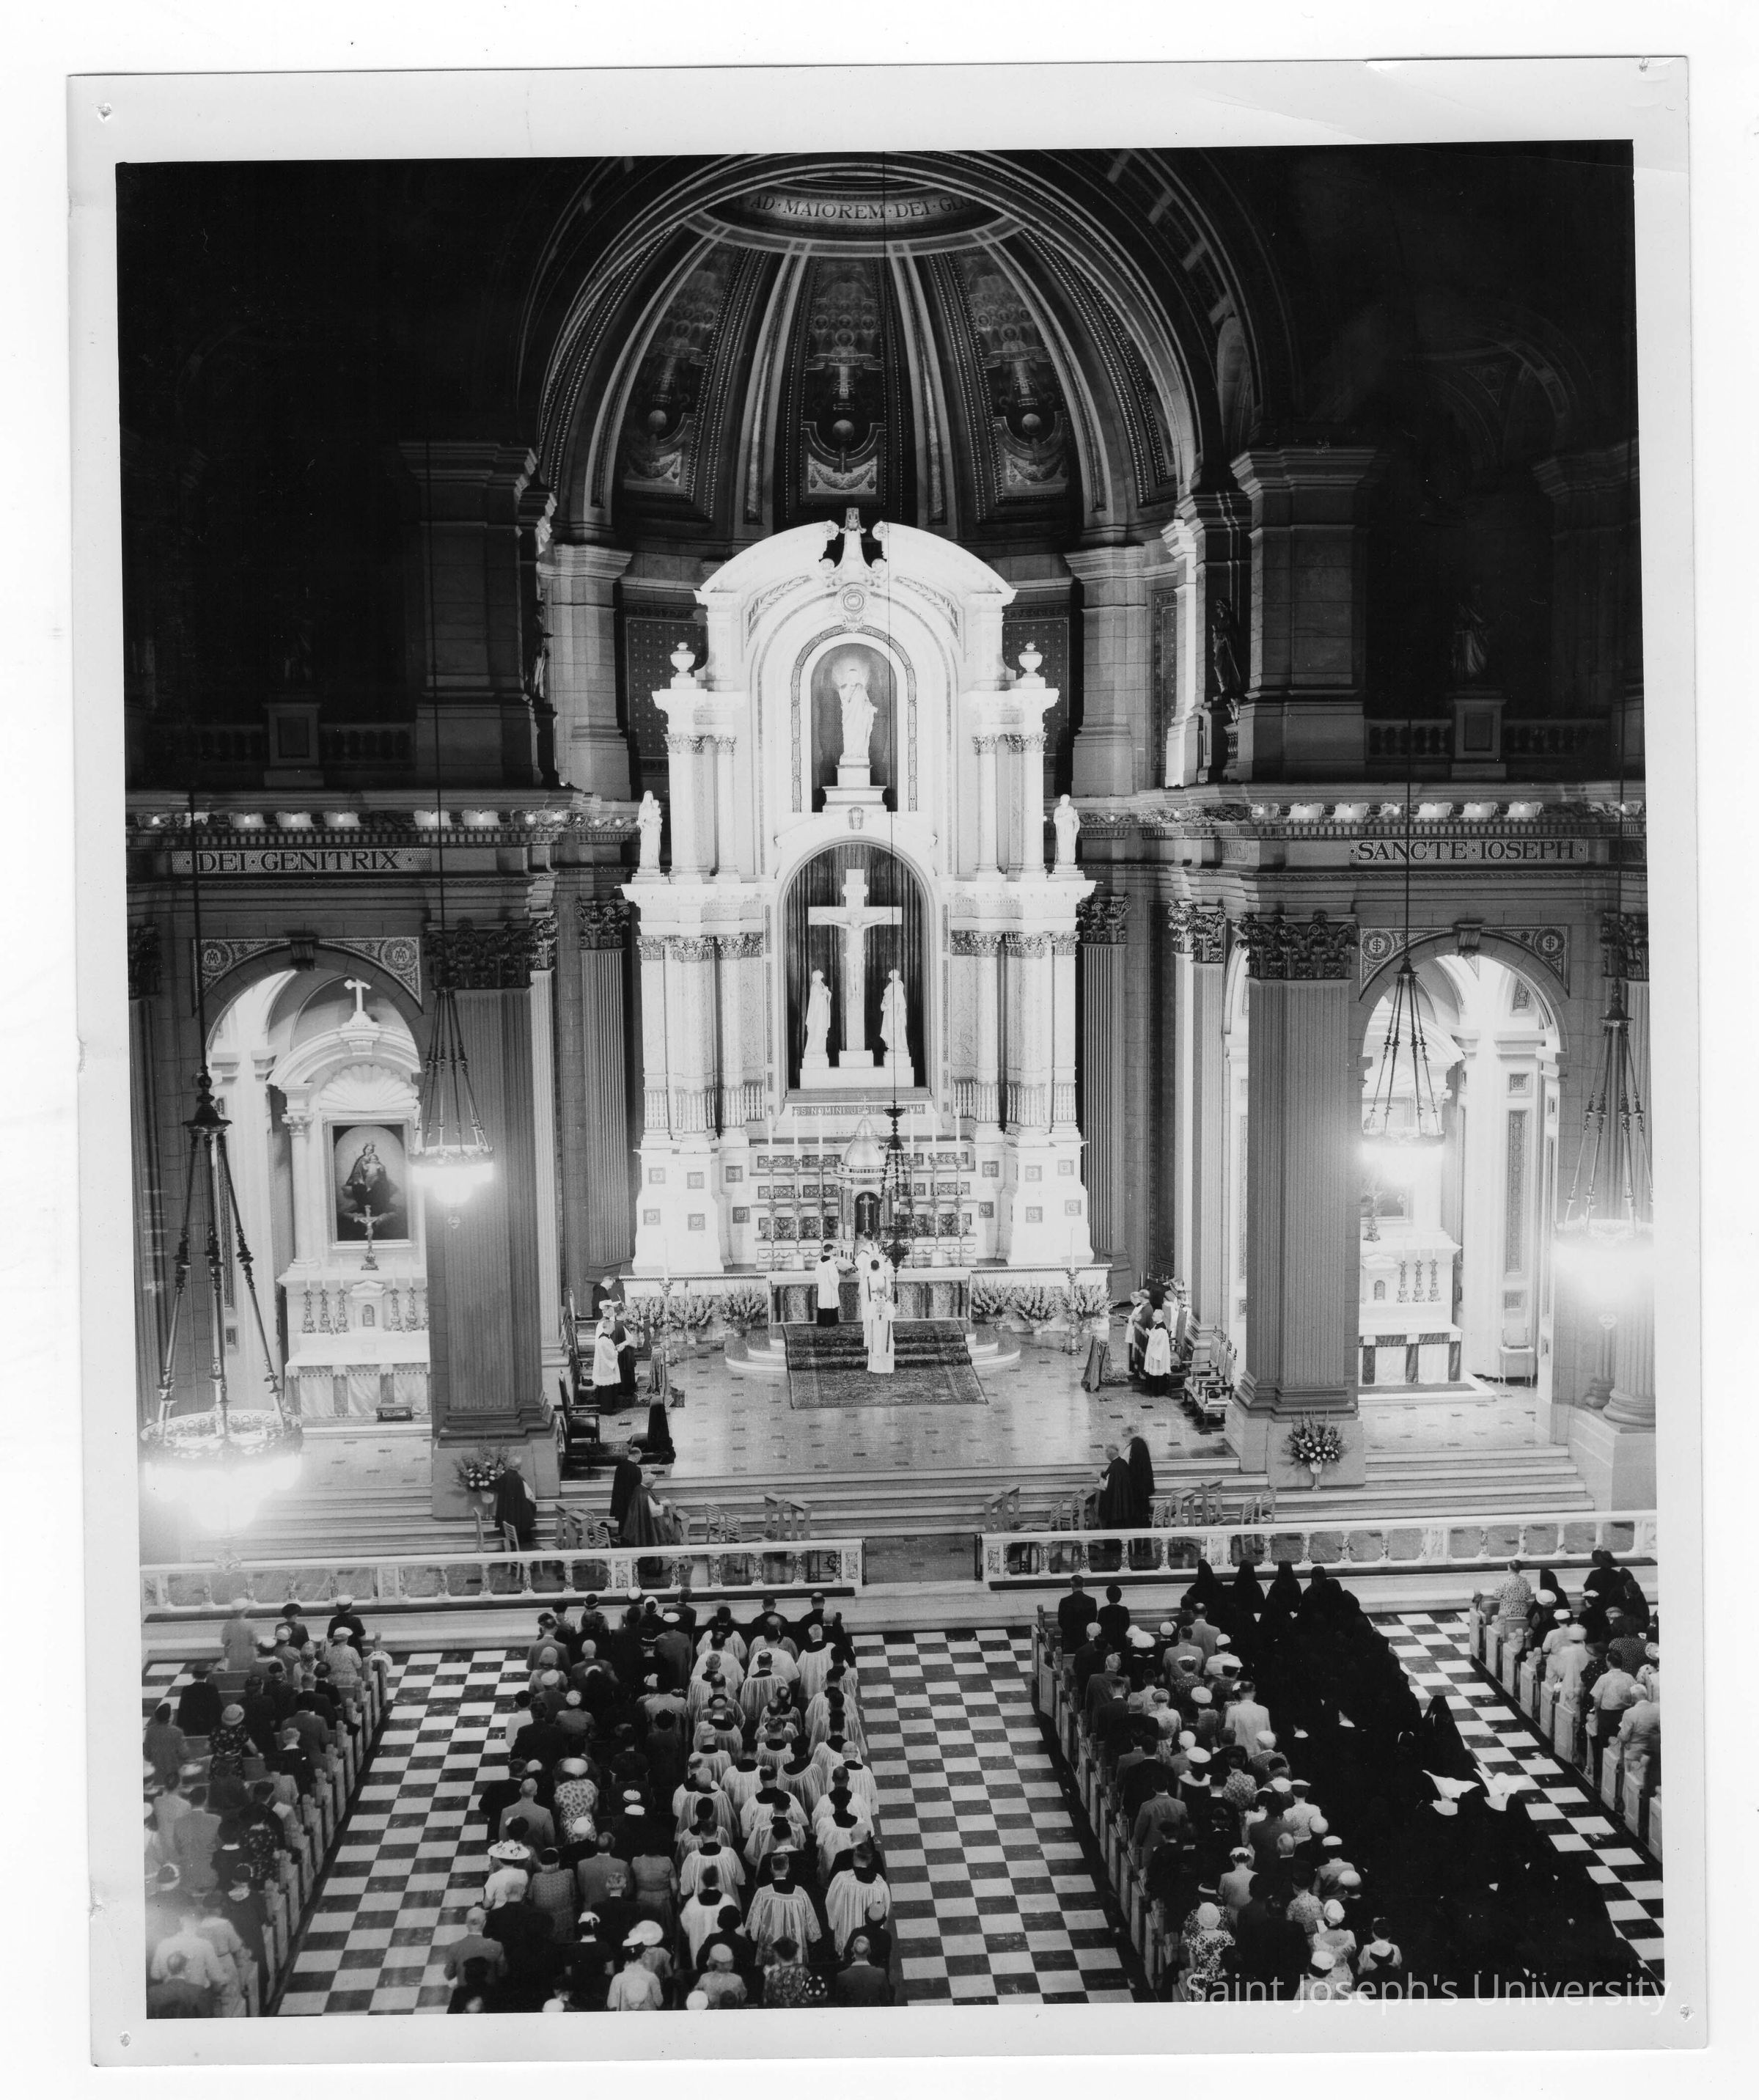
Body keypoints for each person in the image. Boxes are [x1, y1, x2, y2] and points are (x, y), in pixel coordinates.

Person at [831, 1931, 895, 2007]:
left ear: (853, 1950)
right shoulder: (881, 1974)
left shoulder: (842, 1977)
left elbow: (841, 2003)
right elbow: (886, 2001)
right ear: (869, 1951)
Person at [493, 1461, 537, 1549]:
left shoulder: (504, 1476)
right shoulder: (518, 1478)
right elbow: (529, 1496)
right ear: (519, 1467)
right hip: (518, 1516)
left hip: (507, 1515)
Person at [1142, 1310, 1173, 1398]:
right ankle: (1152, 1388)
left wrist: (1149, 1333)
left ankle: (1158, 1390)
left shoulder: (1162, 1329)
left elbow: (1157, 1341)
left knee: (1157, 1370)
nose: (1152, 1317)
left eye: (1154, 1316)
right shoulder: (1158, 1325)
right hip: (1156, 1350)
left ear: (1159, 1317)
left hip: (1159, 1352)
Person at [815, 1246, 842, 1327]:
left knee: (823, 1302)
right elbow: (834, 1276)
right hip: (830, 1286)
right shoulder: (830, 1262)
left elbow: (817, 1275)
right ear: (830, 1251)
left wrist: (821, 1282)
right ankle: (830, 1322)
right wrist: (835, 1284)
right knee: (830, 1303)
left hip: (822, 1286)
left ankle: (822, 1322)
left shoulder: (819, 1261)